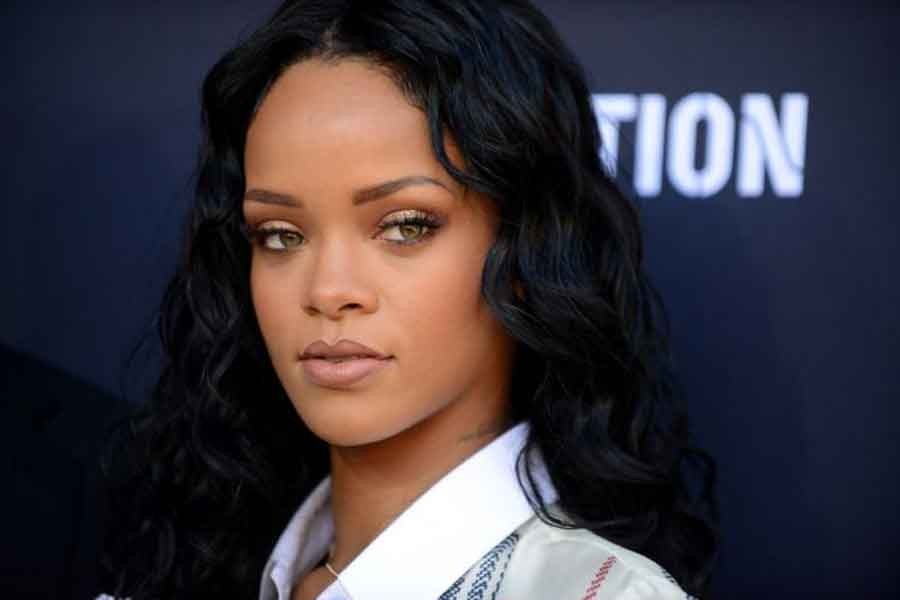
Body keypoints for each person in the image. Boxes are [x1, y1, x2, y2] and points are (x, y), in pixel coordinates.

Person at [95, 1, 719, 598]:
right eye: (281, 235)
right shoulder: (197, 574)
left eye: (405, 226)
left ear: (527, 247)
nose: (328, 291)